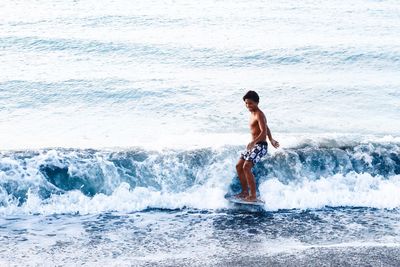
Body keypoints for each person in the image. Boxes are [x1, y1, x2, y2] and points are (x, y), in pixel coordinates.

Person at [235, 91, 280, 202]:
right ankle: (245, 192)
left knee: (246, 167)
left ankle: (253, 195)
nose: (248, 106)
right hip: (255, 145)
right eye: (246, 103)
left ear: (257, 102)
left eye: (250, 103)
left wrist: (255, 142)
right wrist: (272, 139)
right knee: (238, 166)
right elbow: (266, 127)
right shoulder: (253, 113)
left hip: (260, 146)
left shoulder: (259, 114)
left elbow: (263, 131)